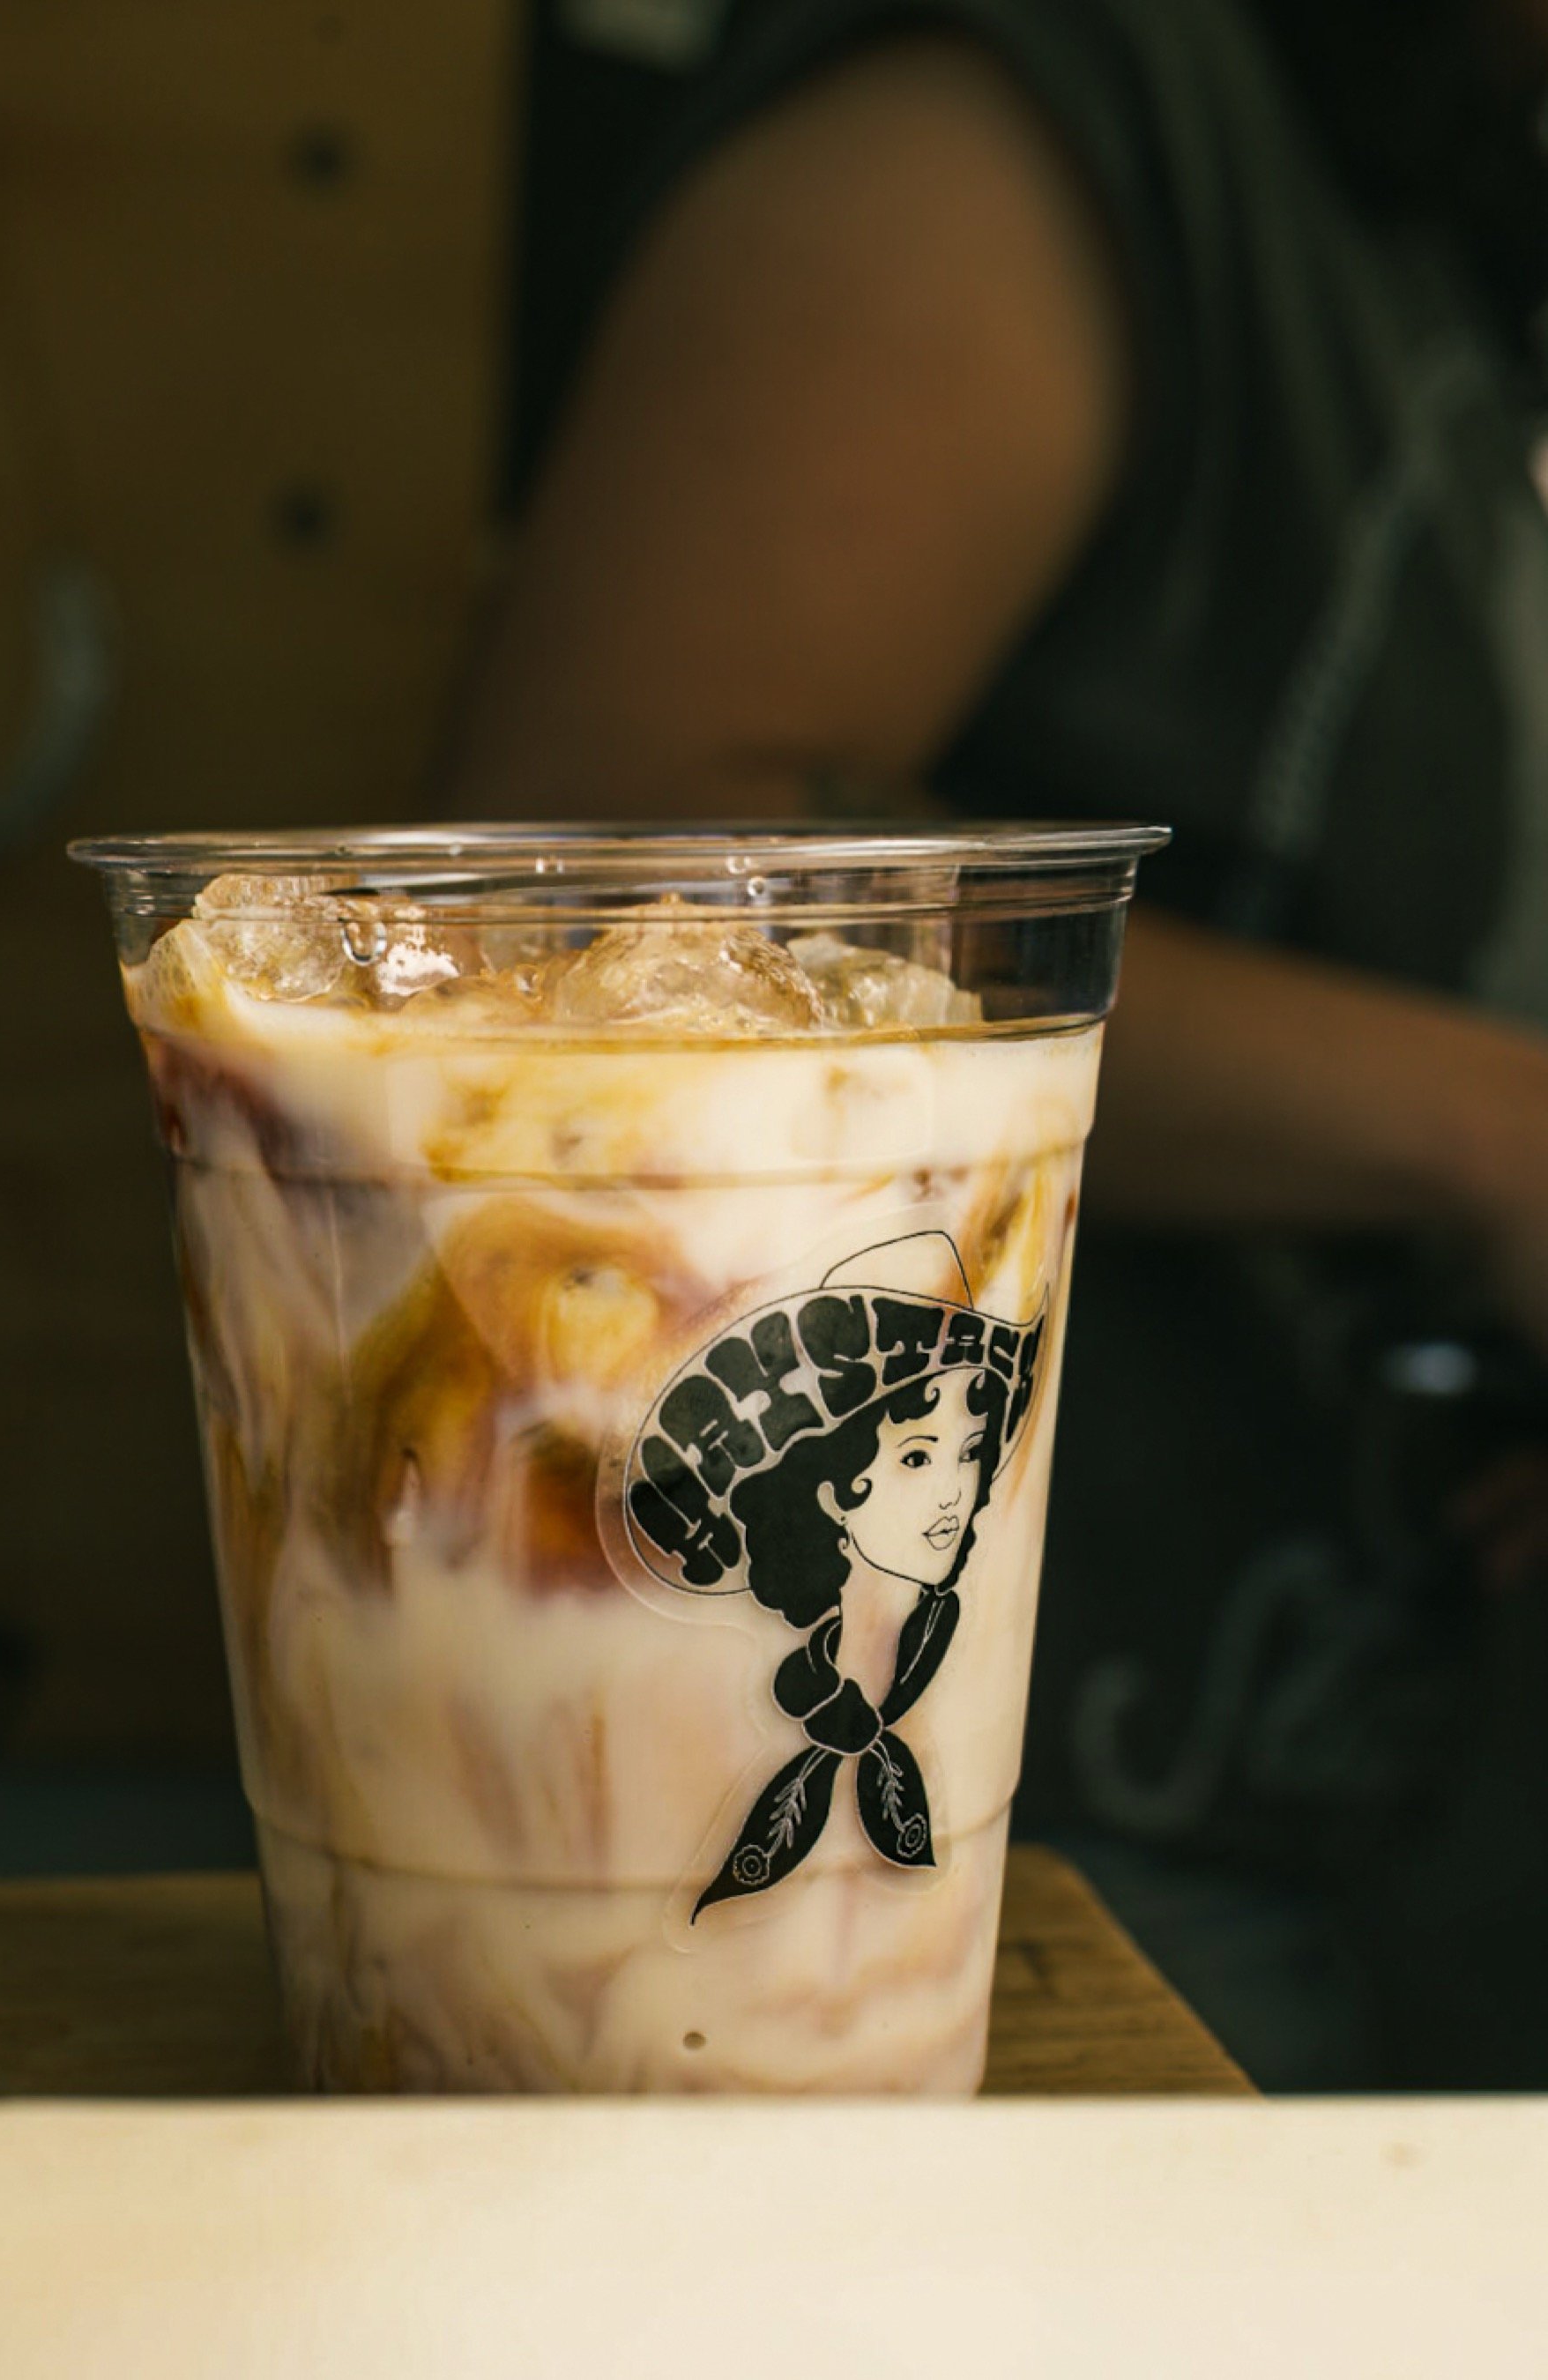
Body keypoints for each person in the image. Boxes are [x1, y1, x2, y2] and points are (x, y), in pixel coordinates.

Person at [449, 0, 1548, 2082]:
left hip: (1336, 1808)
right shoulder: (1049, 104)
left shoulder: (1420, 193)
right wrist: (1493, 1135)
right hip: (966, 1867)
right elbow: (614, 864)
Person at [621, 1231, 1041, 1918]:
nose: (954, 1493)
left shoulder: (932, 1639)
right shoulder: (683, 1693)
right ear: (831, 1489)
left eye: (970, 1452)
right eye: (915, 1457)